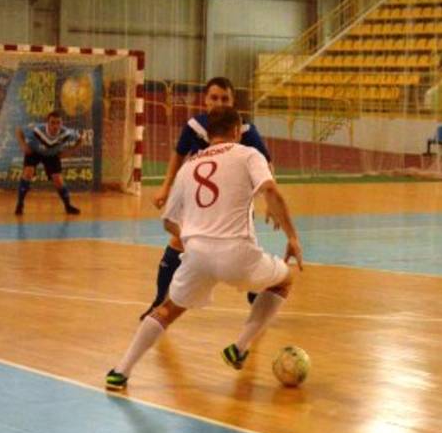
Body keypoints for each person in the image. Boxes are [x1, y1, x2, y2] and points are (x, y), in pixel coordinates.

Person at [105, 107, 302, 390]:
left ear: (208, 135)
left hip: (197, 253)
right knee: (284, 280)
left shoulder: (189, 166)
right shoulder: (248, 154)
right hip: (237, 253)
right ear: (237, 131)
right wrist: (292, 237)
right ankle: (239, 347)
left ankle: (120, 371)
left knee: (168, 310)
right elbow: (270, 190)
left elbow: (169, 222)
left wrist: (195, 241)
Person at [140, 76, 272, 320]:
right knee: (177, 242)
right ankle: (159, 301)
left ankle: (256, 293)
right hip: (200, 201)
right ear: (205, 100)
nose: (219, 103)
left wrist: (270, 199)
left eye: (225, 98)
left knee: (244, 251)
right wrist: (166, 187)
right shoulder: (195, 127)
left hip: (233, 204)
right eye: (214, 98)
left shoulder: (245, 130)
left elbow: (266, 163)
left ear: (233, 102)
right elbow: (178, 155)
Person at [14, 110, 82, 215]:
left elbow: (80, 139)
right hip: (34, 152)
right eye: (52, 122)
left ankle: (68, 206)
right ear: (47, 123)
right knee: (28, 172)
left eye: (58, 123)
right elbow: (19, 130)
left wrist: (70, 151)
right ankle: (20, 204)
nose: (55, 126)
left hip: (52, 155)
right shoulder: (37, 130)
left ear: (62, 123)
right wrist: (23, 146)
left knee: (58, 180)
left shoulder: (66, 133)